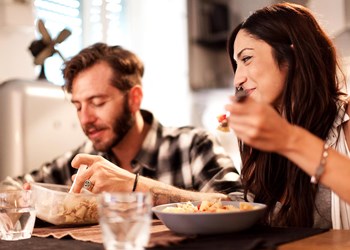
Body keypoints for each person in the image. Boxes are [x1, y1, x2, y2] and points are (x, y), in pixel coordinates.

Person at [2, 43, 240, 205]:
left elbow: (239, 204)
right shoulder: (85, 159)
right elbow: (9, 187)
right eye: (78, 106)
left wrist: (136, 186)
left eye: (97, 102)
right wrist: (30, 197)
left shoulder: (193, 145)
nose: (85, 119)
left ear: (134, 98)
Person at [224, 2, 350, 229]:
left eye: (246, 58)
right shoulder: (262, 142)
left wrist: (289, 139)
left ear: (292, 58)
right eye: (236, 64)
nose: (237, 79)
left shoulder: (346, 121)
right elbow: (247, 211)